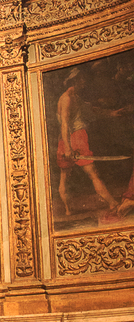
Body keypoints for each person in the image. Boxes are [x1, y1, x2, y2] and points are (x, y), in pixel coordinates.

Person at [56, 68, 117, 216]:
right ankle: (112, 203)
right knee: (92, 173)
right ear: (75, 80)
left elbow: (91, 110)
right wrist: (69, 148)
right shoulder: (67, 98)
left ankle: (68, 210)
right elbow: (64, 124)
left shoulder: (75, 97)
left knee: (65, 176)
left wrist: (112, 113)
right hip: (74, 138)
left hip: (66, 140)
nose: (84, 82)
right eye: (82, 79)